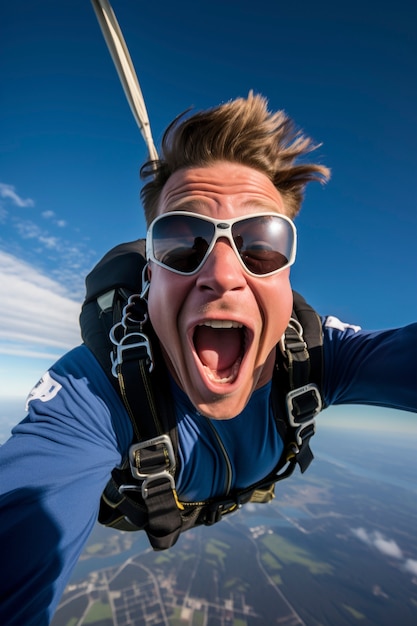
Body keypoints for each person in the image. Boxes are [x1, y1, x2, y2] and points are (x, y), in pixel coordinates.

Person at [0, 93, 416, 625]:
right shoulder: (96, 391)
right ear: (150, 280)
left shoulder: (314, 356)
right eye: (181, 243)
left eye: (261, 245)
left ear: (286, 278)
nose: (222, 275)